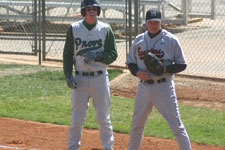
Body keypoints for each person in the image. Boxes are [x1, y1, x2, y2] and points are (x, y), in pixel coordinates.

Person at [126, 9, 192, 150]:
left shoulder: (171, 39)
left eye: (156, 22)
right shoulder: (139, 40)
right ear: (146, 22)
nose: (153, 25)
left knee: (176, 125)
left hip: (164, 88)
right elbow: (130, 63)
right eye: (151, 22)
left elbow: (182, 64)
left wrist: (165, 69)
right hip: (143, 88)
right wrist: (137, 72)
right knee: (136, 125)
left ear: (161, 22)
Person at [63, 0, 118, 149]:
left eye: (95, 9)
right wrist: (68, 75)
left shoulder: (105, 29)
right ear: (83, 12)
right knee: (76, 118)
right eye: (88, 9)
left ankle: (108, 147)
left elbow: (113, 54)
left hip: (99, 78)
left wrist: (98, 55)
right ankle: (73, 147)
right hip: (79, 79)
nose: (92, 11)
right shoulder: (74, 28)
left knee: (103, 117)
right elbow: (68, 54)